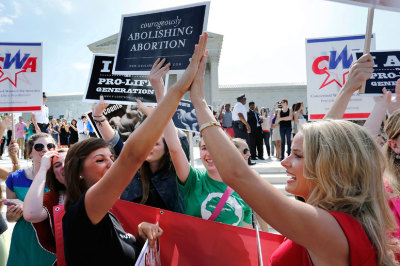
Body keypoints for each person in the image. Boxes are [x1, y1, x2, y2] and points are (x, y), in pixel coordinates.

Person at [190, 55, 398, 265]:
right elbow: (321, 144)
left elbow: (237, 174)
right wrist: (347, 90)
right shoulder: (338, 222)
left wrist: (198, 101)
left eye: (297, 155)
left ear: (330, 168)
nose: (284, 162)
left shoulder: (326, 227)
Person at [62, 32, 208, 265]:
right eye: (100, 160)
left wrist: (139, 232)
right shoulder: (83, 211)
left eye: (111, 158)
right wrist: (174, 91)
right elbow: (129, 155)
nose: (112, 163)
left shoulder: (107, 215)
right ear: (78, 171)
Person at [5, 133, 57, 266]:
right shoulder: (14, 178)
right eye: (39, 147)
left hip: (51, 239)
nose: (45, 149)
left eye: (50, 146)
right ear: (29, 153)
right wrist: (12, 214)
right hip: (24, 238)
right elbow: (10, 218)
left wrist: (26, 205)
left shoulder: (61, 177)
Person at [23, 148, 68, 257]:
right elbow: (31, 214)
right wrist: (43, 168)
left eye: (69, 161)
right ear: (55, 176)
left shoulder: (97, 189)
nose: (64, 166)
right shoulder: (54, 198)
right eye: (57, 165)